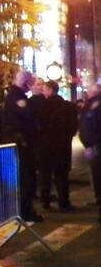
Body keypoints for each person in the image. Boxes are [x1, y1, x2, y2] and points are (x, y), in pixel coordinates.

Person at [0, 69, 43, 222]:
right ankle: (24, 211)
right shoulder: (16, 98)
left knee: (27, 178)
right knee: (26, 179)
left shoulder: (16, 96)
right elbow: (28, 116)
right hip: (21, 144)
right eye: (30, 82)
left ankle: (24, 209)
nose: (32, 86)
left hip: (22, 144)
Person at [38, 80, 78, 211]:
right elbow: (73, 126)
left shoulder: (42, 107)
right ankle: (64, 202)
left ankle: (45, 201)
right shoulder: (68, 107)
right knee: (62, 176)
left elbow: (38, 127)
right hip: (63, 147)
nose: (43, 92)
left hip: (46, 147)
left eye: (44, 89)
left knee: (46, 175)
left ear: (50, 90)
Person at [79, 81, 101, 222]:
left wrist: (90, 144)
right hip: (94, 144)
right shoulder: (91, 105)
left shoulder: (94, 105)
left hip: (96, 145)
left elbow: (90, 126)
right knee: (96, 175)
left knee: (98, 174)